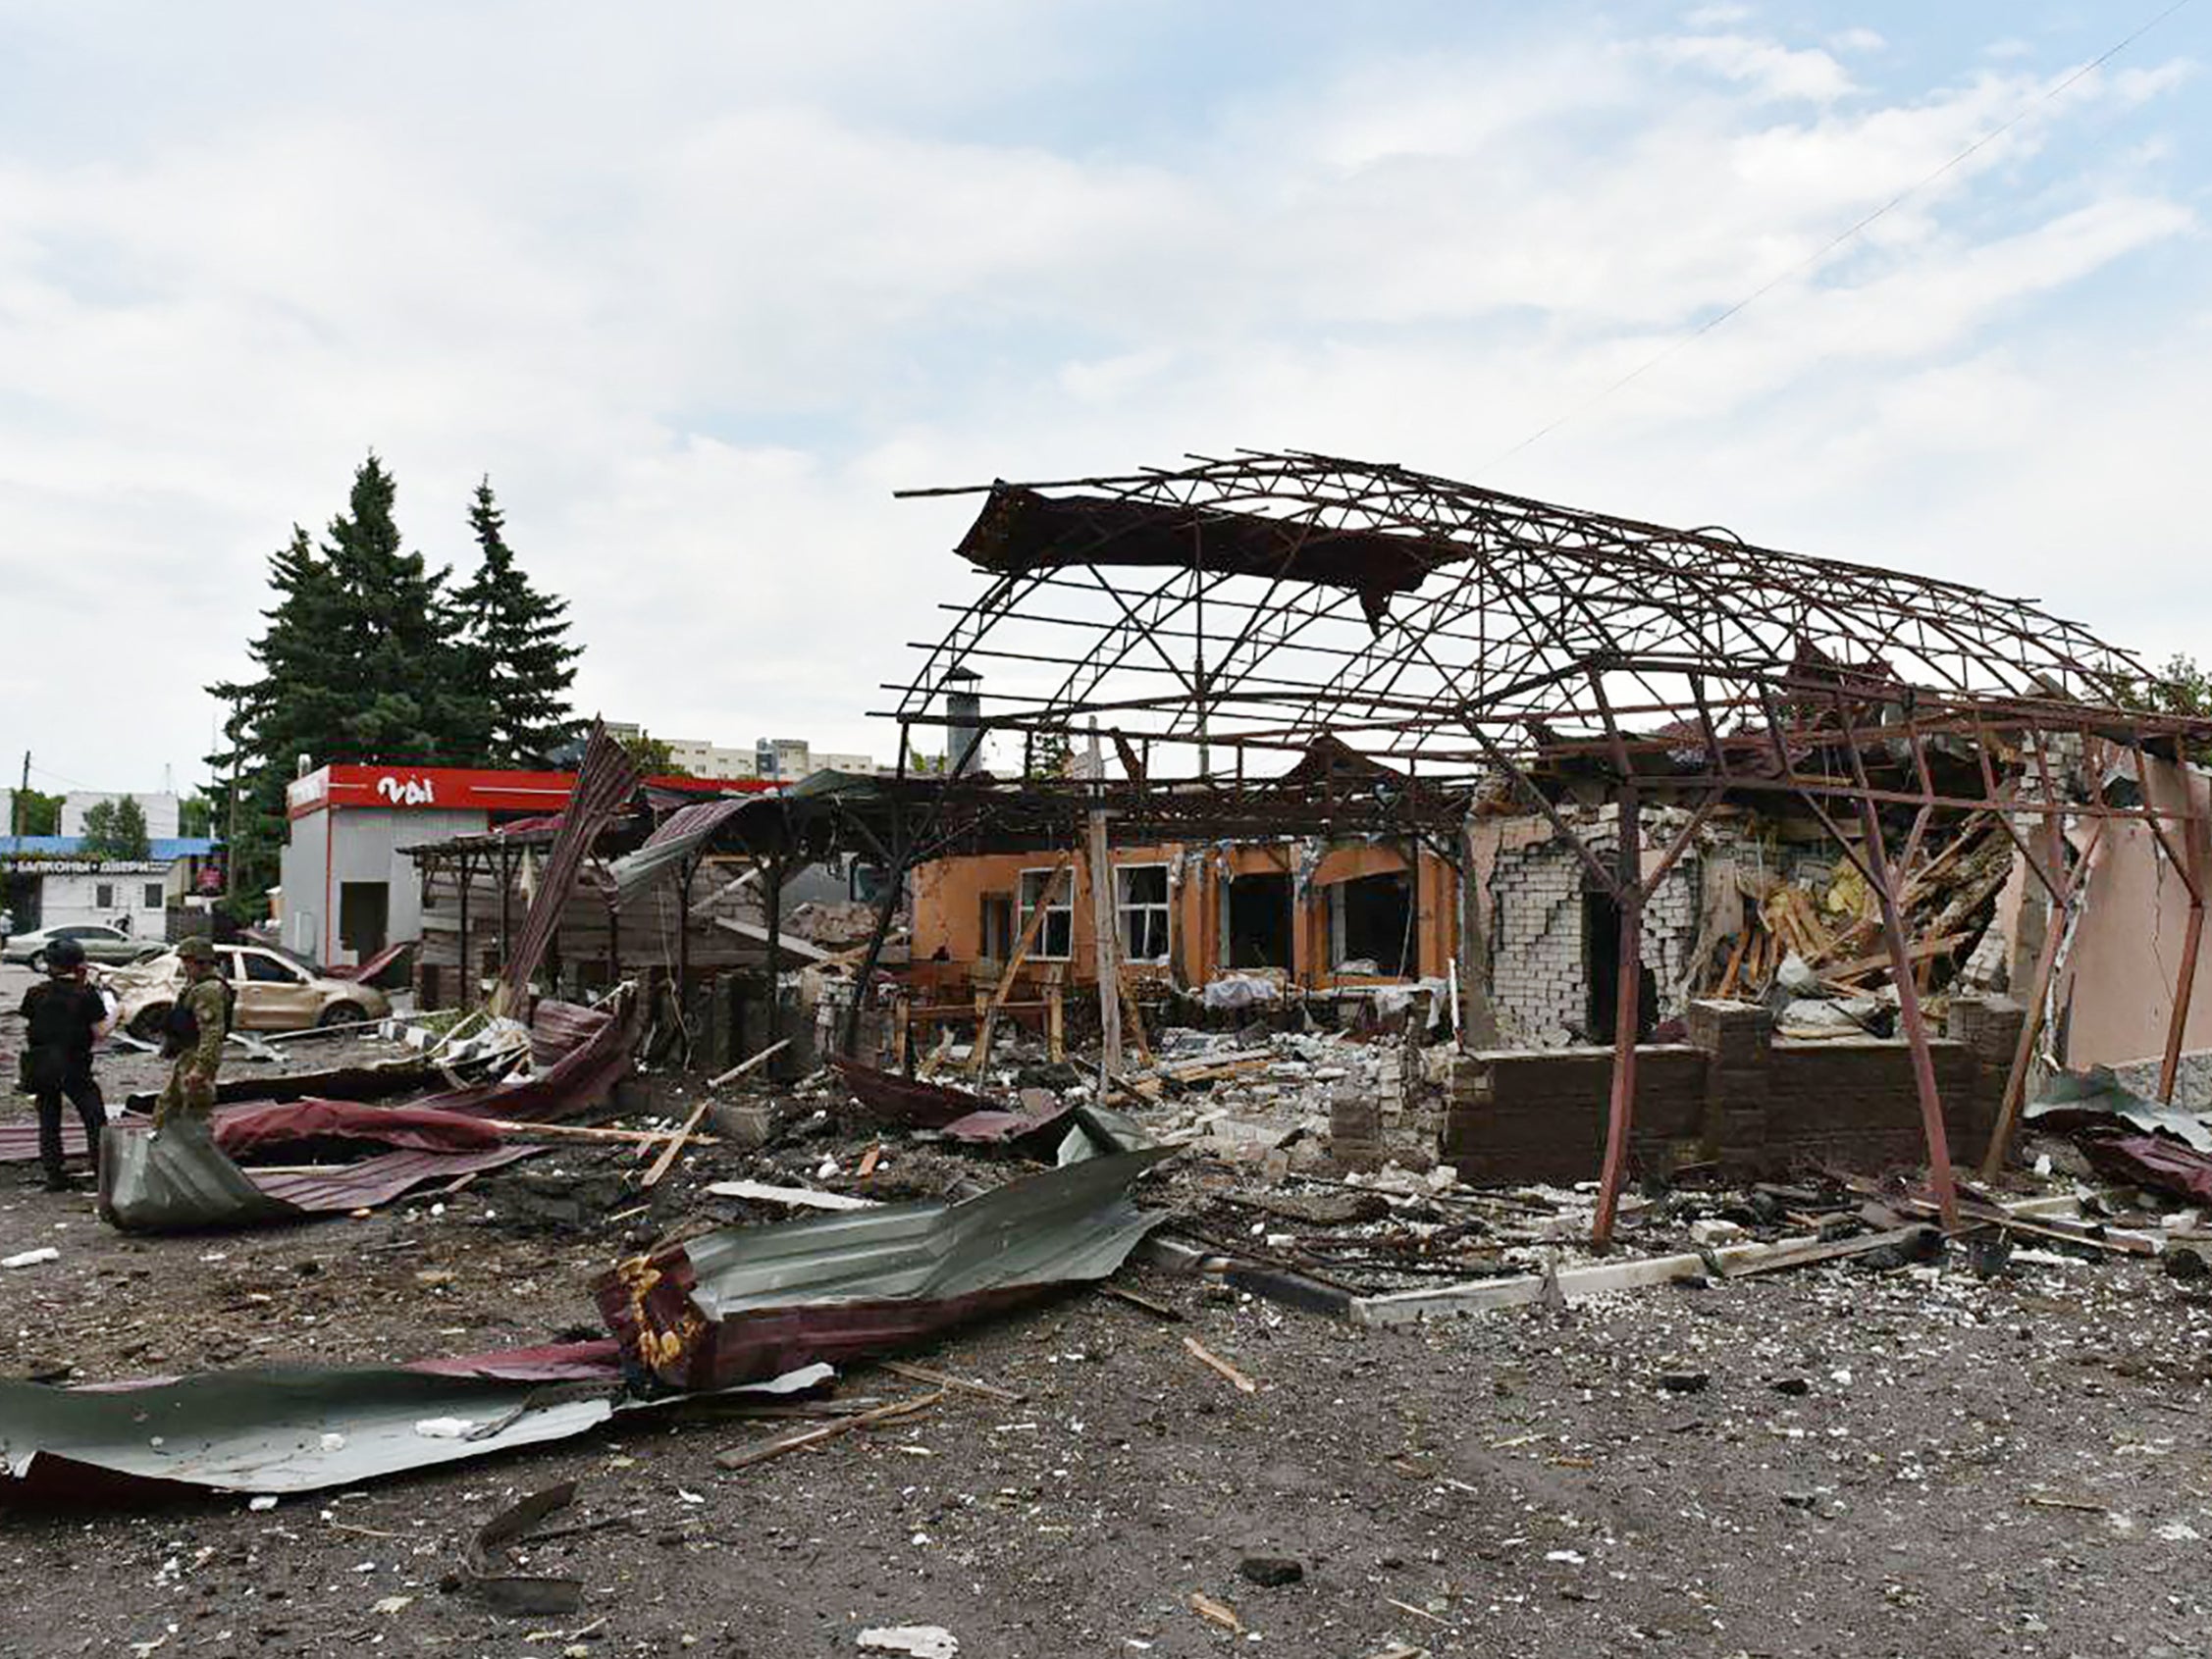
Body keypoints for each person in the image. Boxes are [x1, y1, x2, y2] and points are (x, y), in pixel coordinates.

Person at [17, 937, 110, 1191]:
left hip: (41, 1064)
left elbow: (33, 1022)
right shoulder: (87, 994)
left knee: (49, 1119)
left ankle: (54, 1173)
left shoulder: (35, 993)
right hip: (75, 1065)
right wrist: (118, 1012)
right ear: (78, 964)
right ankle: (102, 1172)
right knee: (94, 1118)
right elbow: (101, 1031)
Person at [154, 937, 231, 1127]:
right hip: (188, 1053)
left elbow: (212, 1032)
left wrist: (201, 1068)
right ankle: (162, 1143)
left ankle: (193, 1152)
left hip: (197, 1056)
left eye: (187, 961)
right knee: (168, 1105)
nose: (184, 966)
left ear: (201, 962)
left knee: (194, 1112)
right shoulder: (196, 985)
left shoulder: (209, 990)